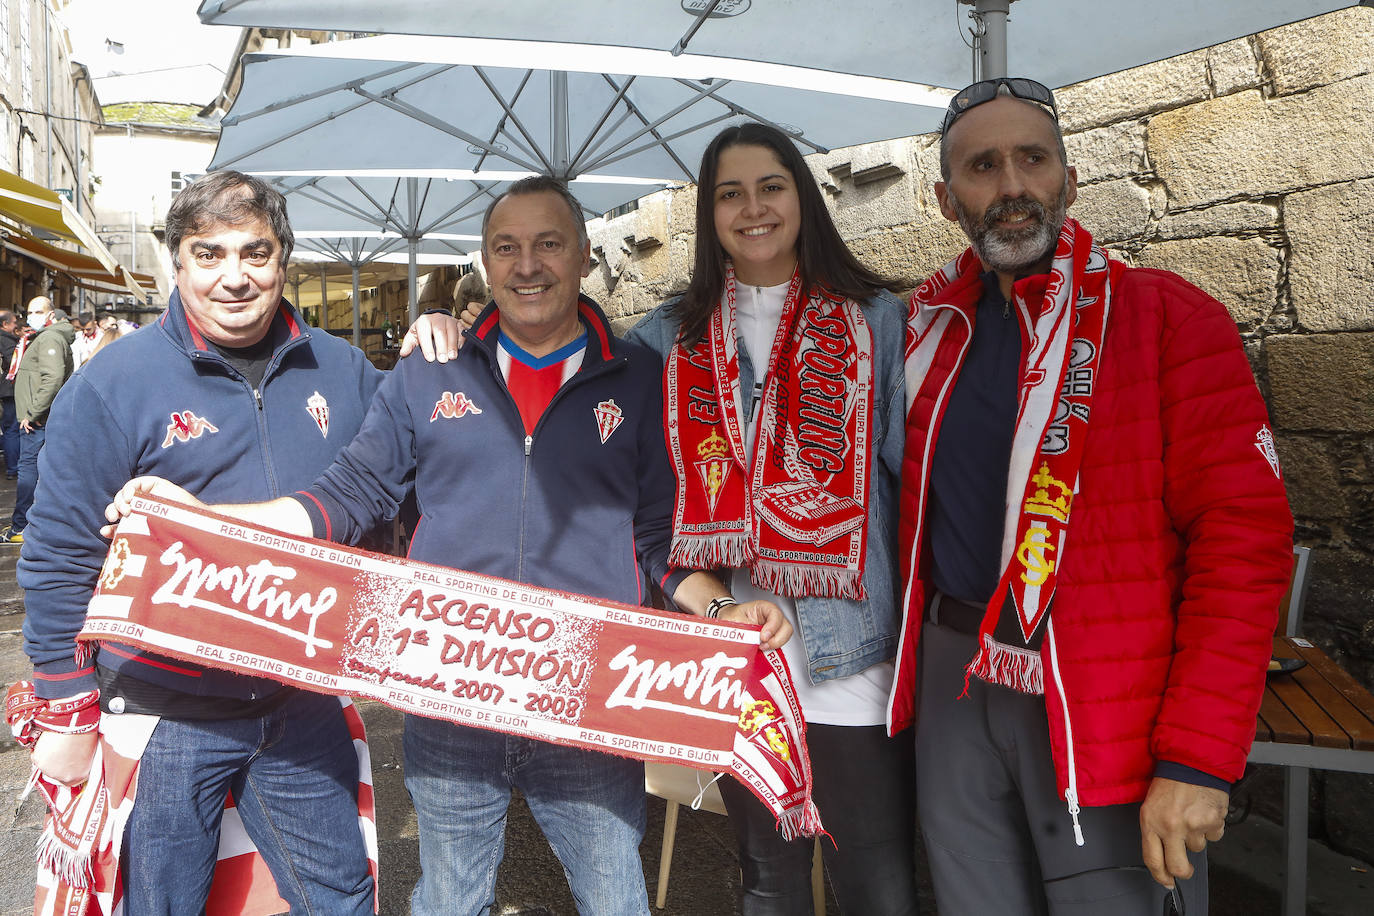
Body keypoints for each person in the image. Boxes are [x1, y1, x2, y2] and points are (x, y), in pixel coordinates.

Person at [109, 175, 790, 916]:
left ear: (585, 257)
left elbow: (659, 534)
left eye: (548, 244)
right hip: (450, 692)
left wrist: (720, 606)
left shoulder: (639, 379)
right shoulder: (428, 369)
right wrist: (203, 523)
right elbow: (347, 497)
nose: (527, 265)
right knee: (450, 899)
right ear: (487, 264)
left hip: (586, 698)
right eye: (507, 248)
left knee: (613, 899)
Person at [891, 78, 1295, 915]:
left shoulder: (1171, 321)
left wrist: (1196, 759)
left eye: (1032, 159)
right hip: (953, 677)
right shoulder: (923, 333)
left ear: (1068, 179)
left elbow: (1243, 545)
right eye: (982, 166)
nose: (1010, 186)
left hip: (1104, 694)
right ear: (944, 199)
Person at [17, 169, 459, 912]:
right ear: (177, 263)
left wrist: (443, 338)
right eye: (209, 254)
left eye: (254, 253)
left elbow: (416, 475)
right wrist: (67, 705)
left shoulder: (345, 370)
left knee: (342, 897)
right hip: (164, 712)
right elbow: (61, 552)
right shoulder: (112, 383)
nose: (234, 278)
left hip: (300, 702)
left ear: (283, 257)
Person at [626, 123, 917, 915]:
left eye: (771, 186)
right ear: (708, 214)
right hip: (741, 656)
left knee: (878, 884)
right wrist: (449, 335)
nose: (752, 208)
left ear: (803, 197)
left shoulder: (878, 321)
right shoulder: (662, 340)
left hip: (853, 653)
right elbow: (579, 414)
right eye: (730, 193)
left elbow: (914, 487)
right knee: (767, 879)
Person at [5, 296, 74, 543]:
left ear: (50, 315)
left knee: (29, 471)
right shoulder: (45, 337)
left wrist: (33, 412)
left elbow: (53, 378)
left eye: (38, 311)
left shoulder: (50, 338)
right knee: (43, 470)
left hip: (37, 420)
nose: (31, 316)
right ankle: (33, 524)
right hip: (38, 418)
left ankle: (22, 526)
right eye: (30, 311)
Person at [0, 309, 21, 478]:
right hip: (9, 389)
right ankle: (13, 468)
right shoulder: (6, 341)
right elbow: (13, 362)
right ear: (5, 324)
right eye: (14, 322)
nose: (16, 326)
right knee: (12, 428)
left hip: (7, 389)